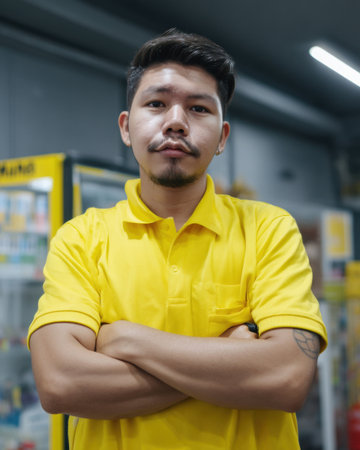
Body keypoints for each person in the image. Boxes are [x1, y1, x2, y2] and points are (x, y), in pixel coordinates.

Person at [28, 28, 327, 449]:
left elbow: (286, 378)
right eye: (156, 103)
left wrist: (125, 339)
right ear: (127, 128)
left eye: (199, 108)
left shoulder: (268, 230)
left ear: (222, 137)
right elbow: (61, 384)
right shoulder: (81, 238)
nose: (175, 121)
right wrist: (230, 360)